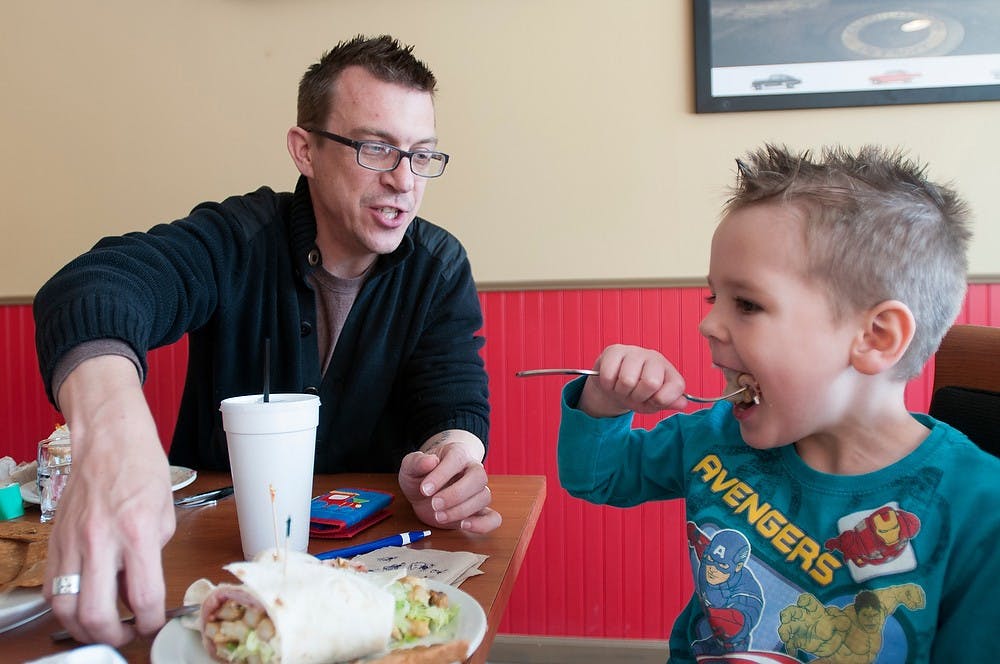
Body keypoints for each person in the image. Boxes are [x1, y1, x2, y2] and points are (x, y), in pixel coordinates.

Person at [33, 34, 500, 645]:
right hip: (212, 564)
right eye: (376, 149)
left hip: (368, 569)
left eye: (421, 155)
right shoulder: (238, 237)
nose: (404, 180)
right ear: (305, 150)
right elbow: (95, 283)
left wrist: (453, 459)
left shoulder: (437, 264)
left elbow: (453, 401)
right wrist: (110, 425)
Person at [556, 144, 1000, 662]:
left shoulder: (980, 512)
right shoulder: (716, 437)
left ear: (876, 336)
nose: (708, 325)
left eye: (747, 303)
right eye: (712, 298)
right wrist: (605, 402)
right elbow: (597, 477)